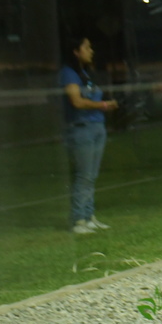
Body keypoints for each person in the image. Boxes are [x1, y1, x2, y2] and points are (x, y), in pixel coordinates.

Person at [60, 37, 117, 234]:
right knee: (83, 175)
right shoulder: (68, 74)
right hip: (82, 128)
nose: (91, 51)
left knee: (91, 175)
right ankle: (78, 220)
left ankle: (88, 216)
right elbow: (76, 101)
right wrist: (104, 105)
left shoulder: (84, 73)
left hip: (96, 126)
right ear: (76, 52)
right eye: (86, 47)